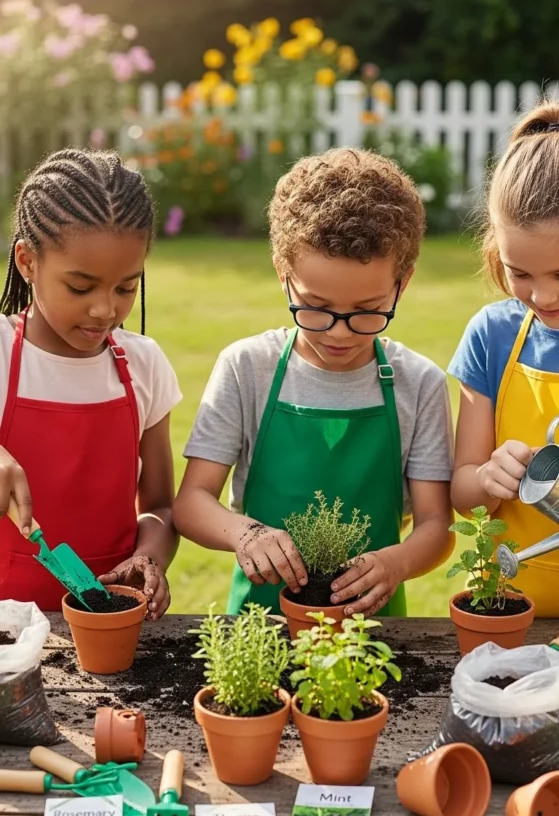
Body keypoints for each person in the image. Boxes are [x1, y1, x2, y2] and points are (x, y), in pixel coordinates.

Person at [174, 147, 453, 616]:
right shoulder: (248, 368)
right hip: (260, 626)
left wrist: (396, 562)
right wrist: (247, 535)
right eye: (316, 308)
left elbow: (435, 525)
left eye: (367, 312)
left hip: (373, 631)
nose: (340, 332)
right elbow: (192, 502)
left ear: (403, 282)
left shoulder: (419, 383)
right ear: (284, 275)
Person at [0, 148, 181, 617]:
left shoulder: (143, 365)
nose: (105, 309)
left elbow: (160, 506)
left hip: (110, 626)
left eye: (126, 287)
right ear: (27, 261)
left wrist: (150, 557)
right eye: (80, 288)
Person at [449, 102, 559, 617]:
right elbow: (463, 492)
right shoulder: (492, 336)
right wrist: (488, 477)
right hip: (503, 610)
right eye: (521, 273)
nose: (541, 297)